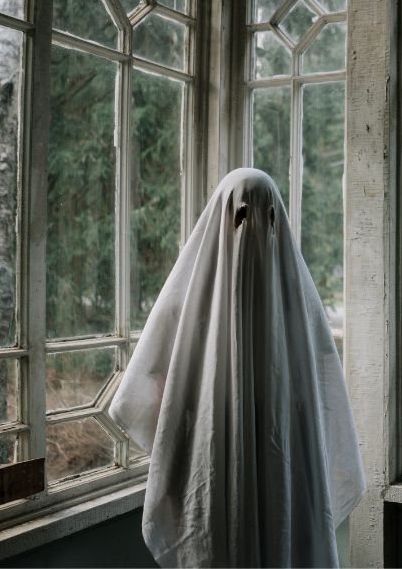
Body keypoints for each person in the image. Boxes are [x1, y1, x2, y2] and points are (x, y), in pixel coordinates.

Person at [109, 168, 365, 567]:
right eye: (243, 218)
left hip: (285, 465)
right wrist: (182, 435)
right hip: (210, 461)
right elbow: (148, 384)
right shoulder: (185, 304)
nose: (256, 230)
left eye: (268, 219)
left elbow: (320, 393)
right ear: (222, 221)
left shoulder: (301, 309)